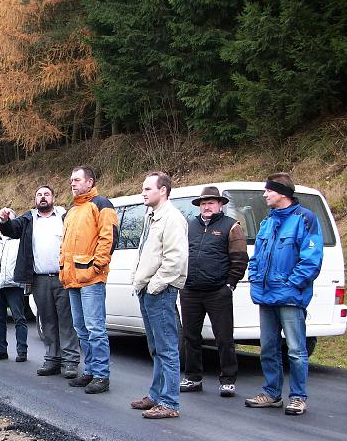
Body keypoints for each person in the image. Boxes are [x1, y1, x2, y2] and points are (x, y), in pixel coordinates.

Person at [245, 173, 323, 416]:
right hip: (266, 296)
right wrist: (256, 280)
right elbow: (257, 257)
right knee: (268, 347)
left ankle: (298, 397)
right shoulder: (267, 222)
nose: (265, 194)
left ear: (283, 193)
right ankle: (271, 393)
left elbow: (311, 259)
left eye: (269, 190)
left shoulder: (305, 219)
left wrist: (292, 284)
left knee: (296, 350)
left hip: (289, 296)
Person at [0, 186, 80, 379]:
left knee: (67, 321)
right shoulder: (28, 219)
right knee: (47, 320)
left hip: (63, 277)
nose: (43, 198)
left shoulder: (64, 217)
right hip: (39, 279)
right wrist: (3, 220)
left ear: (53, 197)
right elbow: (11, 230)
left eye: (46, 194)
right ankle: (52, 359)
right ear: (35, 199)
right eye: (39, 195)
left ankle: (70, 361)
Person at [180, 186, 249, 397]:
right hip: (190, 290)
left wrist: (230, 284)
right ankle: (193, 378)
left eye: (210, 203)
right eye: (203, 203)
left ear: (220, 205)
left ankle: (228, 380)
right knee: (190, 337)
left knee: (224, 338)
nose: (206, 207)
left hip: (218, 291)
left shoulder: (231, 226)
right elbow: (181, 255)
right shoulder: (190, 226)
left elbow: (240, 258)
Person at [130, 171, 188, 419]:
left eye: (147, 188)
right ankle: (156, 395)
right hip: (148, 290)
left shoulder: (172, 218)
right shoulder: (151, 216)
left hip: (161, 292)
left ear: (162, 190)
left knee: (167, 348)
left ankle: (170, 402)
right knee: (155, 348)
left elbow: (175, 260)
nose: (143, 192)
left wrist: (155, 285)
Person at [59, 166, 118, 394]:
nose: (72, 184)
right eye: (71, 180)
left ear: (90, 182)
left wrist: (97, 266)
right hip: (72, 278)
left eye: (76, 180)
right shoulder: (72, 211)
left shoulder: (101, 204)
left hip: (91, 277)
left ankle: (102, 375)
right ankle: (91, 370)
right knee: (81, 329)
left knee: (95, 328)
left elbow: (109, 237)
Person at [0, 222, 28, 363]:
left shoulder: (19, 239)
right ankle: (1, 350)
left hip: (14, 284)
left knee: (19, 318)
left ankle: (22, 351)